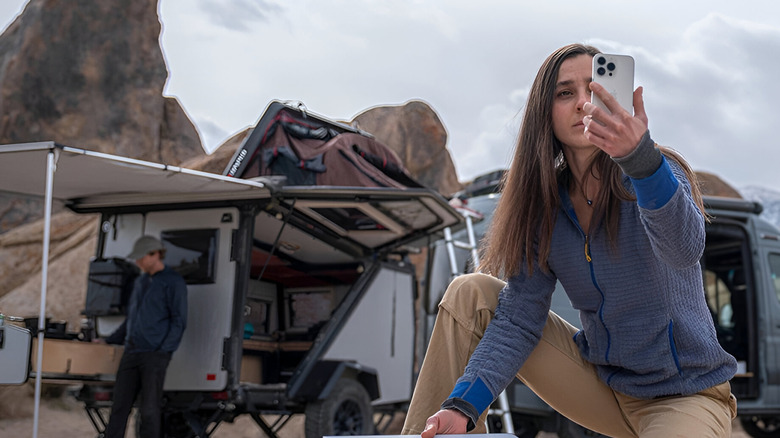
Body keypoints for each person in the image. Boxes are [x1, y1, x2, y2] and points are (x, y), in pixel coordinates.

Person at [402, 43, 738, 438]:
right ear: (546, 112)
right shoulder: (544, 205)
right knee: (470, 292)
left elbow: (684, 250)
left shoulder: (657, 171)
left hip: (685, 397)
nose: (583, 103)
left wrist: (641, 161)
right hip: (601, 387)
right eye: (565, 93)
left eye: (594, 90)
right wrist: (464, 405)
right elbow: (518, 318)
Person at [100, 235, 188, 438]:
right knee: (119, 407)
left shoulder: (173, 282)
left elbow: (179, 320)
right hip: (131, 351)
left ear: (155, 254)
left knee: (149, 410)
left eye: (141, 257)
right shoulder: (140, 282)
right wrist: (109, 340)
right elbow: (131, 318)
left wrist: (164, 351)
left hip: (154, 355)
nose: (137, 262)